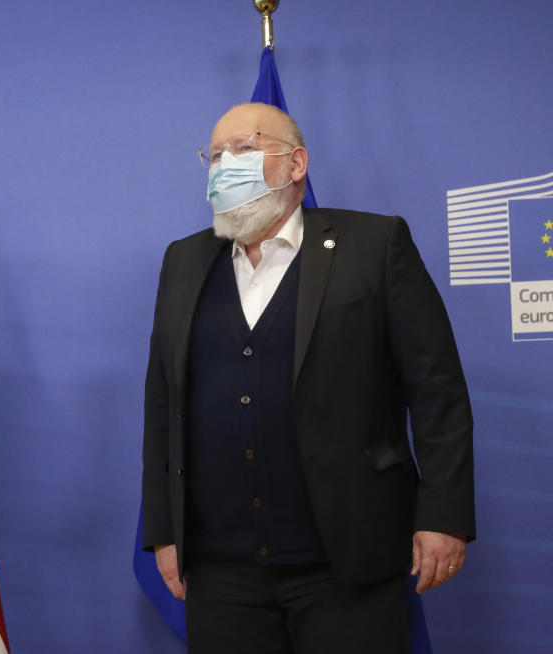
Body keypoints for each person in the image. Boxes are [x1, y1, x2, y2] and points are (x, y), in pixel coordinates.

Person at [141, 102, 475, 653]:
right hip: (221, 568)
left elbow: (437, 392)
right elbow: (162, 405)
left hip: (348, 560)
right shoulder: (183, 262)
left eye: (243, 149)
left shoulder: (375, 245)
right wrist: (163, 532)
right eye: (215, 154)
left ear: (296, 165)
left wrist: (444, 516)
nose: (225, 164)